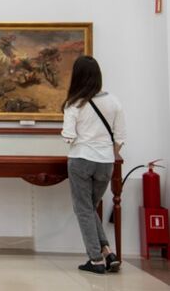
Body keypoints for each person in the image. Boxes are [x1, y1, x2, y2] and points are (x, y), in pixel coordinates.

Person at [61, 55, 126, 274]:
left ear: (77, 76)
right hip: (106, 163)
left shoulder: (74, 103)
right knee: (89, 207)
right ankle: (107, 252)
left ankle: (96, 259)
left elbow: (68, 137)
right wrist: (106, 154)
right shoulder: (114, 102)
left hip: (81, 160)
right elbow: (120, 138)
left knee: (83, 209)